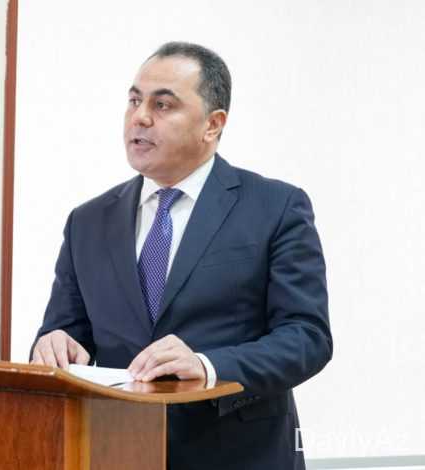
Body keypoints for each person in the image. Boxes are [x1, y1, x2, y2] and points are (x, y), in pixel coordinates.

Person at [30, 42, 333, 470]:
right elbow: (66, 331)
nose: (140, 117)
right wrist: (53, 344)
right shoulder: (88, 221)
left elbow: (306, 337)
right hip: (119, 453)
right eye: (134, 100)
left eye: (163, 104)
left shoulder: (275, 207)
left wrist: (208, 366)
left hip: (239, 455)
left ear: (213, 124)